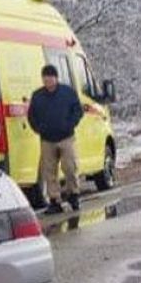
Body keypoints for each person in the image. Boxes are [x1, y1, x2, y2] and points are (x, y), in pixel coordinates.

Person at [27, 64, 84, 214]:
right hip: (47, 139)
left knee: (70, 167)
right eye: (45, 79)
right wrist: (39, 128)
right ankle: (55, 200)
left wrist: (70, 124)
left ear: (56, 78)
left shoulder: (67, 93)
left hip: (66, 137)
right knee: (49, 171)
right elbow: (31, 116)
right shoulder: (37, 96)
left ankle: (73, 195)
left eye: (50, 78)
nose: (48, 82)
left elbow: (78, 110)